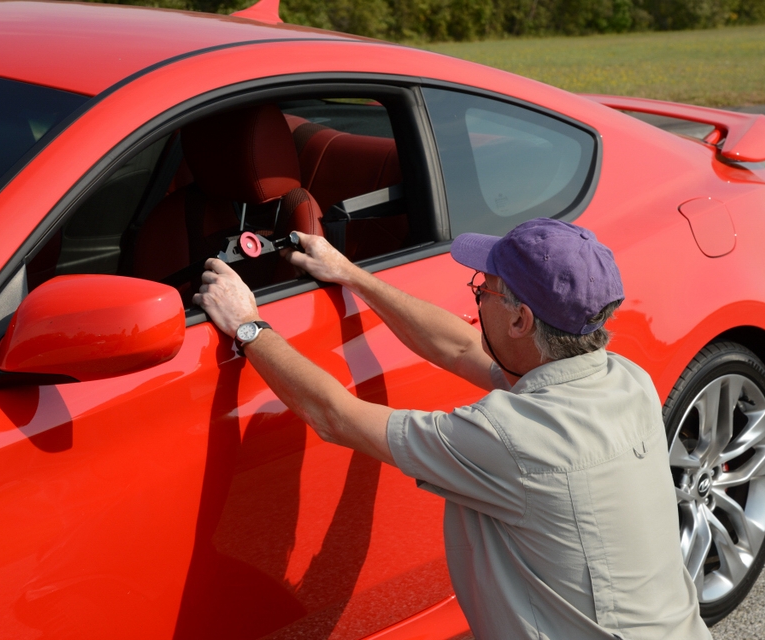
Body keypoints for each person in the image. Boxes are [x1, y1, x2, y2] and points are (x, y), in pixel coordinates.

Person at [194, 218, 711, 640]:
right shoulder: (625, 380)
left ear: (520, 322)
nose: (474, 302)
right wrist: (350, 274)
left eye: (483, 289)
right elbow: (461, 348)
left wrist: (247, 326)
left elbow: (335, 416)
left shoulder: (510, 438)